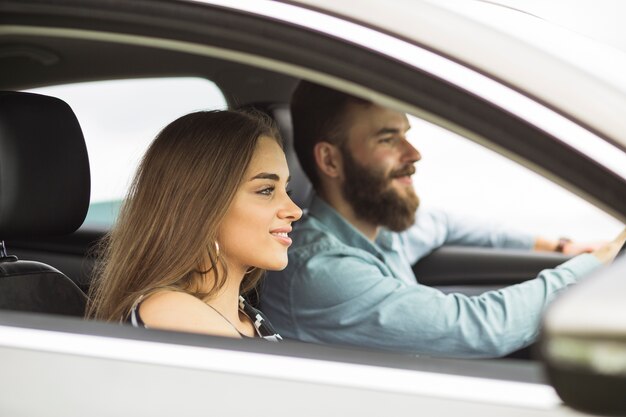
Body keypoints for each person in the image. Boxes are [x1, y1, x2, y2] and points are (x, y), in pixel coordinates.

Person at [260, 81, 626, 357]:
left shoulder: (379, 231)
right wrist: (597, 264)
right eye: (388, 139)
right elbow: (480, 328)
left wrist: (558, 246)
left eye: (406, 135)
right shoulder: (318, 269)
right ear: (330, 161)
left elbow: (446, 223)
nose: (414, 153)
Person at [86, 110, 302, 341]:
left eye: (286, 191)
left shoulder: (243, 316)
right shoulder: (173, 313)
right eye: (266, 190)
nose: (295, 211)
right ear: (202, 207)